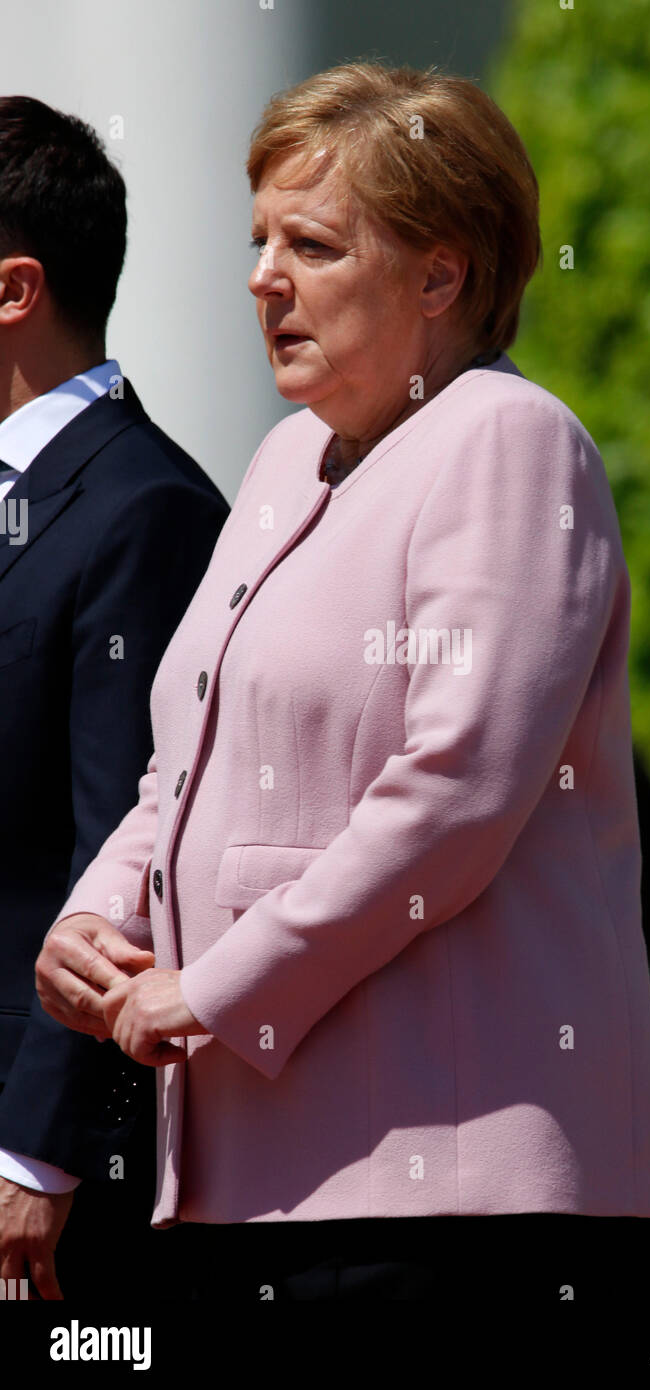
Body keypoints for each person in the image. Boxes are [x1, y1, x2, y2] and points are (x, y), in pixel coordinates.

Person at [36, 61, 650, 1300]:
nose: (260, 276)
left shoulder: (506, 438)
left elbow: (453, 794)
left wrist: (214, 990)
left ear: (440, 274)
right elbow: (186, 762)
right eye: (259, 239)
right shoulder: (285, 460)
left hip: (448, 1191)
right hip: (258, 1182)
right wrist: (95, 920)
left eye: (313, 244)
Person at [0, 96, 228, 1300]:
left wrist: (35, 1148)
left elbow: (131, 848)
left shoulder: (148, 507)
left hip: (42, 1175)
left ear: (13, 289)